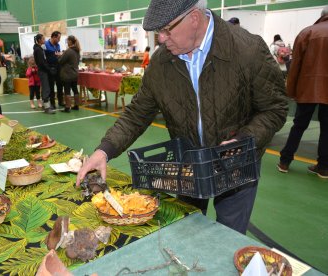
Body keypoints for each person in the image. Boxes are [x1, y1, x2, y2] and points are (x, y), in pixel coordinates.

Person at [76, 0, 288, 234]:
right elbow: (137, 113)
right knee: (188, 231)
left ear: (194, 18)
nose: (161, 39)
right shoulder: (161, 62)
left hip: (237, 167)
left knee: (228, 239)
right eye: (158, 32)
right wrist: (104, 150)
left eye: (167, 30)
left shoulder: (247, 50)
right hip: (188, 167)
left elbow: (275, 108)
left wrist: (244, 140)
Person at [278, 6, 328, 179]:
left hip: (308, 88)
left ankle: (285, 161)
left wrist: (291, 90)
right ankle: (323, 167)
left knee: (299, 126)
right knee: (327, 129)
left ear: (321, 16)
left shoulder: (307, 32)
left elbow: (295, 65)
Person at [33, 33, 56, 114]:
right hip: (43, 71)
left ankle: (44, 105)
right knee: (46, 89)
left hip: (43, 71)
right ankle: (47, 108)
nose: (45, 40)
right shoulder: (38, 50)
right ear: (39, 40)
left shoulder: (39, 48)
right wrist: (49, 69)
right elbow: (42, 62)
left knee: (45, 89)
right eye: (43, 39)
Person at [59, 35, 81, 113]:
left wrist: (59, 56)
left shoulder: (68, 51)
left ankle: (67, 107)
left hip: (67, 73)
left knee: (67, 90)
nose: (67, 42)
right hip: (75, 73)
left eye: (67, 40)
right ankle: (76, 105)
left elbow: (61, 61)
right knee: (75, 89)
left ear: (70, 41)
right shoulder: (77, 51)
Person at [45, 31, 64, 107]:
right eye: (58, 38)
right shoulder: (45, 44)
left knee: (60, 85)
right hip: (50, 68)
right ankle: (52, 103)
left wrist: (59, 55)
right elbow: (44, 56)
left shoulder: (58, 45)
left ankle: (60, 101)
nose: (59, 40)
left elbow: (58, 55)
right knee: (51, 86)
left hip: (58, 67)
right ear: (53, 37)